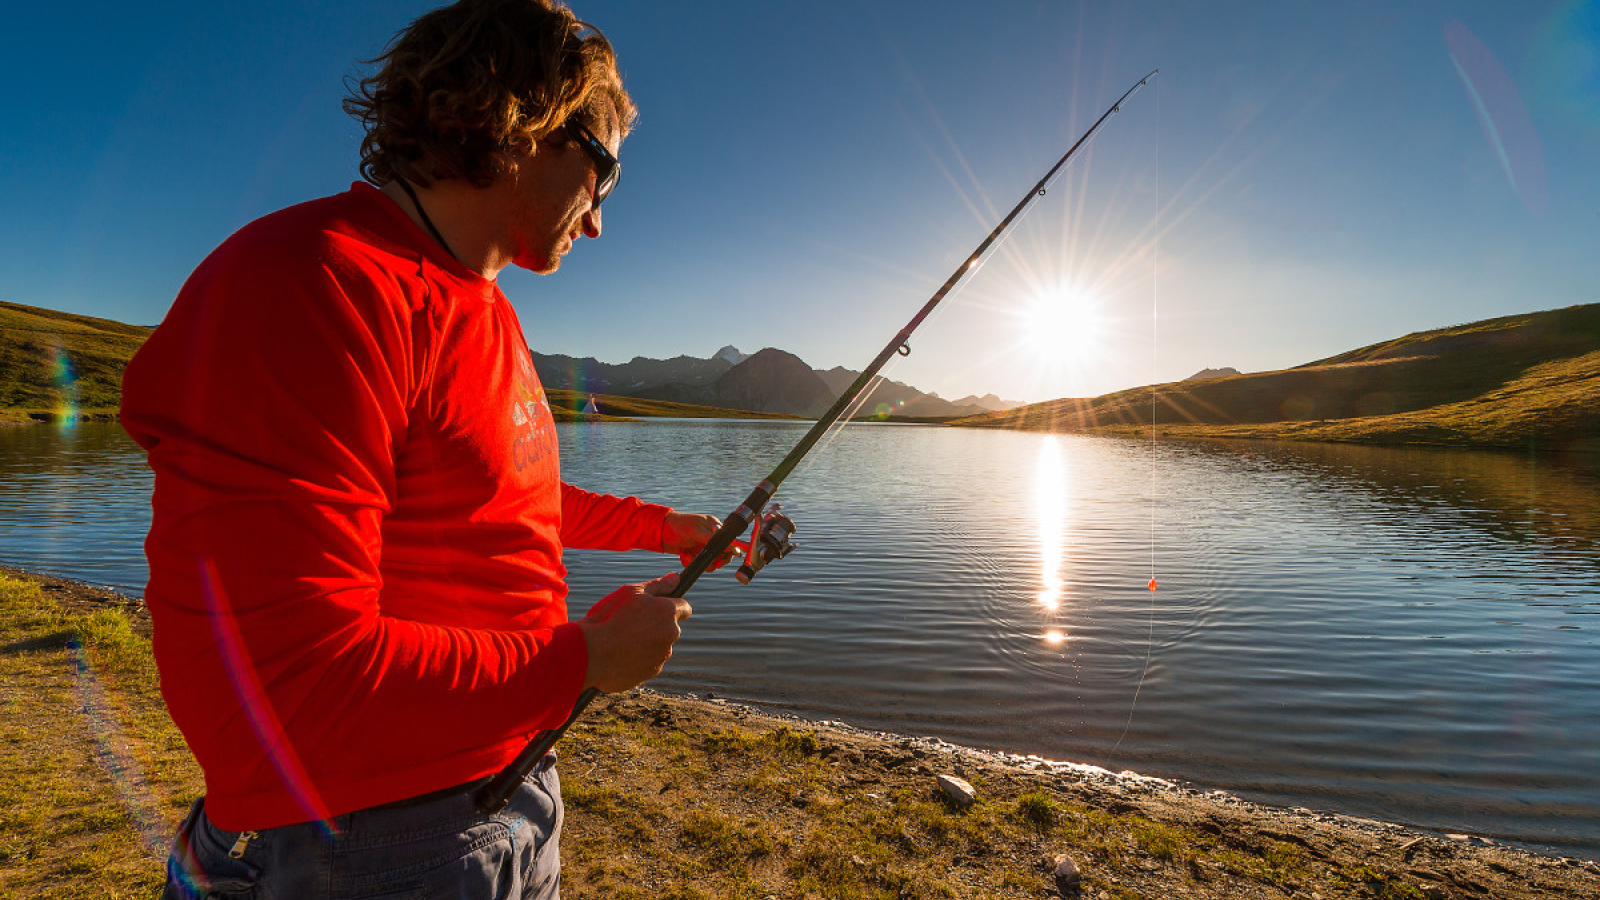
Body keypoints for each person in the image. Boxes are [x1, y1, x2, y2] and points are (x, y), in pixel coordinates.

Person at [120, 1, 732, 896]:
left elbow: (501, 496)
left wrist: (665, 526)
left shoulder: (482, 305)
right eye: (605, 171)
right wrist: (584, 660)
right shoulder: (313, 285)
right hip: (374, 840)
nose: (599, 219)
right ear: (528, 122)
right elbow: (293, 686)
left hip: (509, 782)